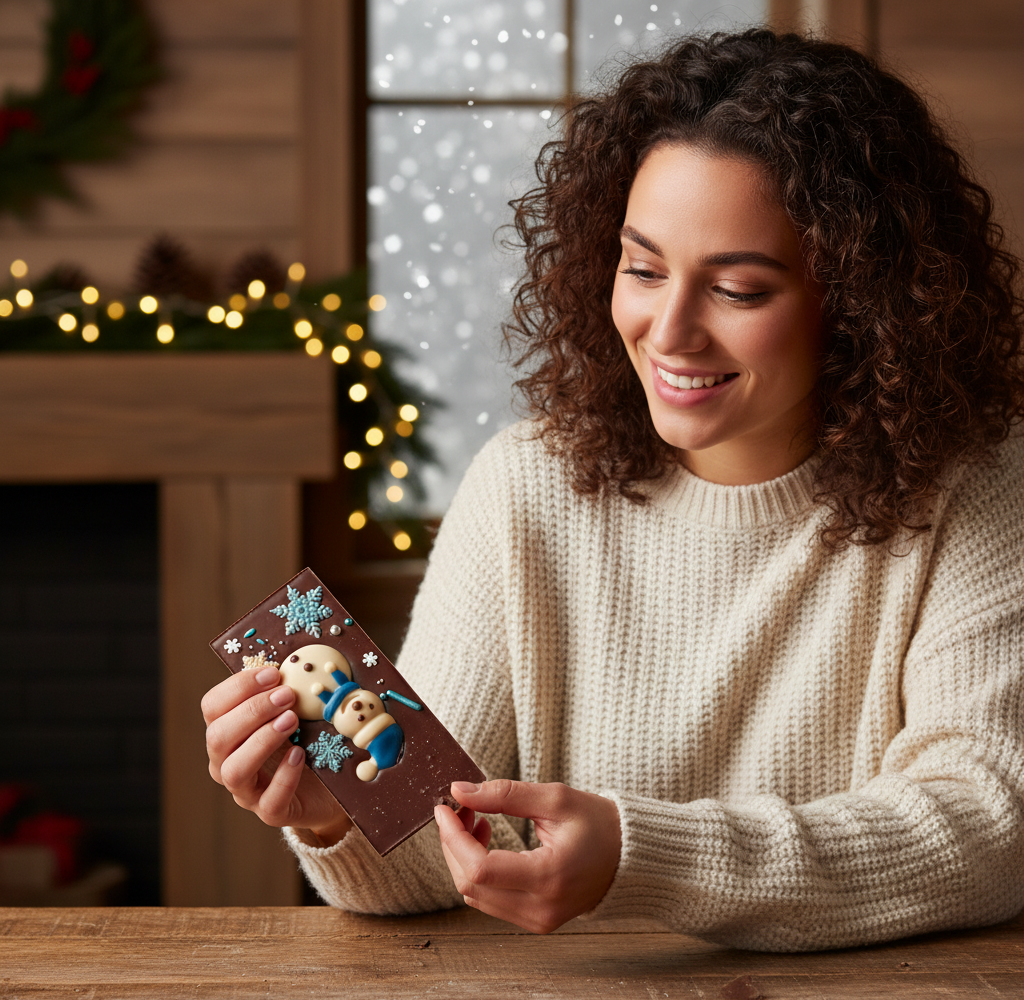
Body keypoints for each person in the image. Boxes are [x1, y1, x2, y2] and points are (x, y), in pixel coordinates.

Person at [202, 28, 1024, 951]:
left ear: (860, 302)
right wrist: (335, 813)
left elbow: (990, 824)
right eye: (642, 268)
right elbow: (441, 850)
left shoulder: (977, 486)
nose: (668, 331)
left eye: (740, 291)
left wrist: (641, 857)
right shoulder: (526, 486)